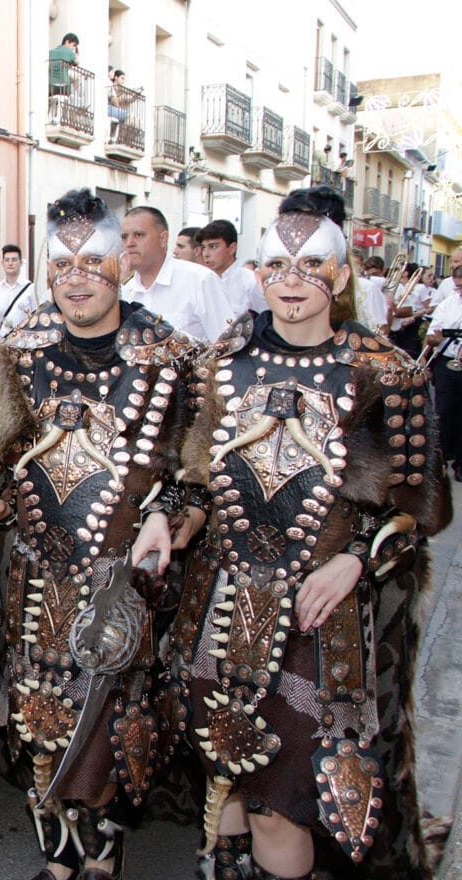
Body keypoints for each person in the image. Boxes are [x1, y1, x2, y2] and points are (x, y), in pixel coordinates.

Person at [168, 186, 451, 880]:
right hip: (219, 608)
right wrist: (166, 520)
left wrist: (355, 559)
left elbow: (421, 509)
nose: (291, 282)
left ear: (343, 277)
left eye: (311, 266)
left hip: (317, 624)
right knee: (224, 778)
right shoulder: (221, 362)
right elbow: (194, 475)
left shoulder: (387, 373)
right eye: (276, 266)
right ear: (258, 272)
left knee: (281, 798)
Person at [0, 189, 197, 880]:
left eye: (93, 259)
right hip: (34, 570)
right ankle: (58, 853)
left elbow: (198, 464)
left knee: (106, 720)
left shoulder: (170, 354)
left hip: (119, 577)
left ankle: (102, 851)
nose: (77, 276)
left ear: (122, 262)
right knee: (38, 713)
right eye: (62, 262)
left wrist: (174, 510)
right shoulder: (21, 346)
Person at [121, 207, 232, 343]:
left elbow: (227, 345)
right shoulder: (125, 293)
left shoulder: (199, 280)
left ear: (163, 239)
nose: (129, 243)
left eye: (138, 235)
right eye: (124, 237)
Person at [424, 264, 462, 482]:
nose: (460, 292)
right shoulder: (448, 305)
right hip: (448, 362)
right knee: (444, 411)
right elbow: (431, 336)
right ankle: (442, 456)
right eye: (457, 287)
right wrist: (435, 339)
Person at [197, 220, 266, 320]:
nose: (206, 254)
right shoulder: (201, 281)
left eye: (213, 246)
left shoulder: (251, 282)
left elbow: (266, 321)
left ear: (232, 248)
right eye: (203, 248)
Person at [0, 243, 35, 342]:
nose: (10, 263)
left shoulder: (30, 288)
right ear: (2, 263)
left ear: (20, 263)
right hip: (3, 342)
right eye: (7, 260)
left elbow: (35, 317)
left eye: (14, 260)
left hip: (25, 343)